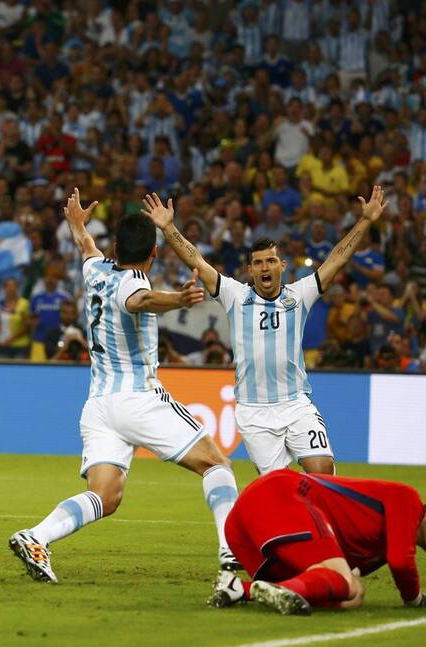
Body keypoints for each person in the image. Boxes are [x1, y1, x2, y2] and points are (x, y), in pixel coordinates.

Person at [9, 189, 242, 584]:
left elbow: (85, 246)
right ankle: (231, 552)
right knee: (217, 464)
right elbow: (141, 300)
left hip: (99, 406)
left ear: (115, 247)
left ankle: (37, 537)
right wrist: (180, 300)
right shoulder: (133, 282)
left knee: (106, 495)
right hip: (139, 399)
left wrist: (76, 223)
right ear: (153, 255)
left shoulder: (95, 269)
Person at [147, 186, 388, 475]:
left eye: (271, 261)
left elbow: (337, 258)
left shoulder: (299, 295)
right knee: (279, 489)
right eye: (258, 262)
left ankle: (322, 521)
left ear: (282, 266)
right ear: (250, 269)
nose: (265, 267)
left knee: (322, 470)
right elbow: (196, 260)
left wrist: (365, 221)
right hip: (254, 413)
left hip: (296, 404)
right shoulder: (235, 296)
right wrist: (169, 227)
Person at [209, 469, 426, 615]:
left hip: (247, 530)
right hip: (281, 493)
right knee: (345, 580)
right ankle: (244, 589)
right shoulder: (408, 499)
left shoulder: (379, 546)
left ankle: (238, 589)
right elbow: (400, 561)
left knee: (354, 592)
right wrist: (415, 599)